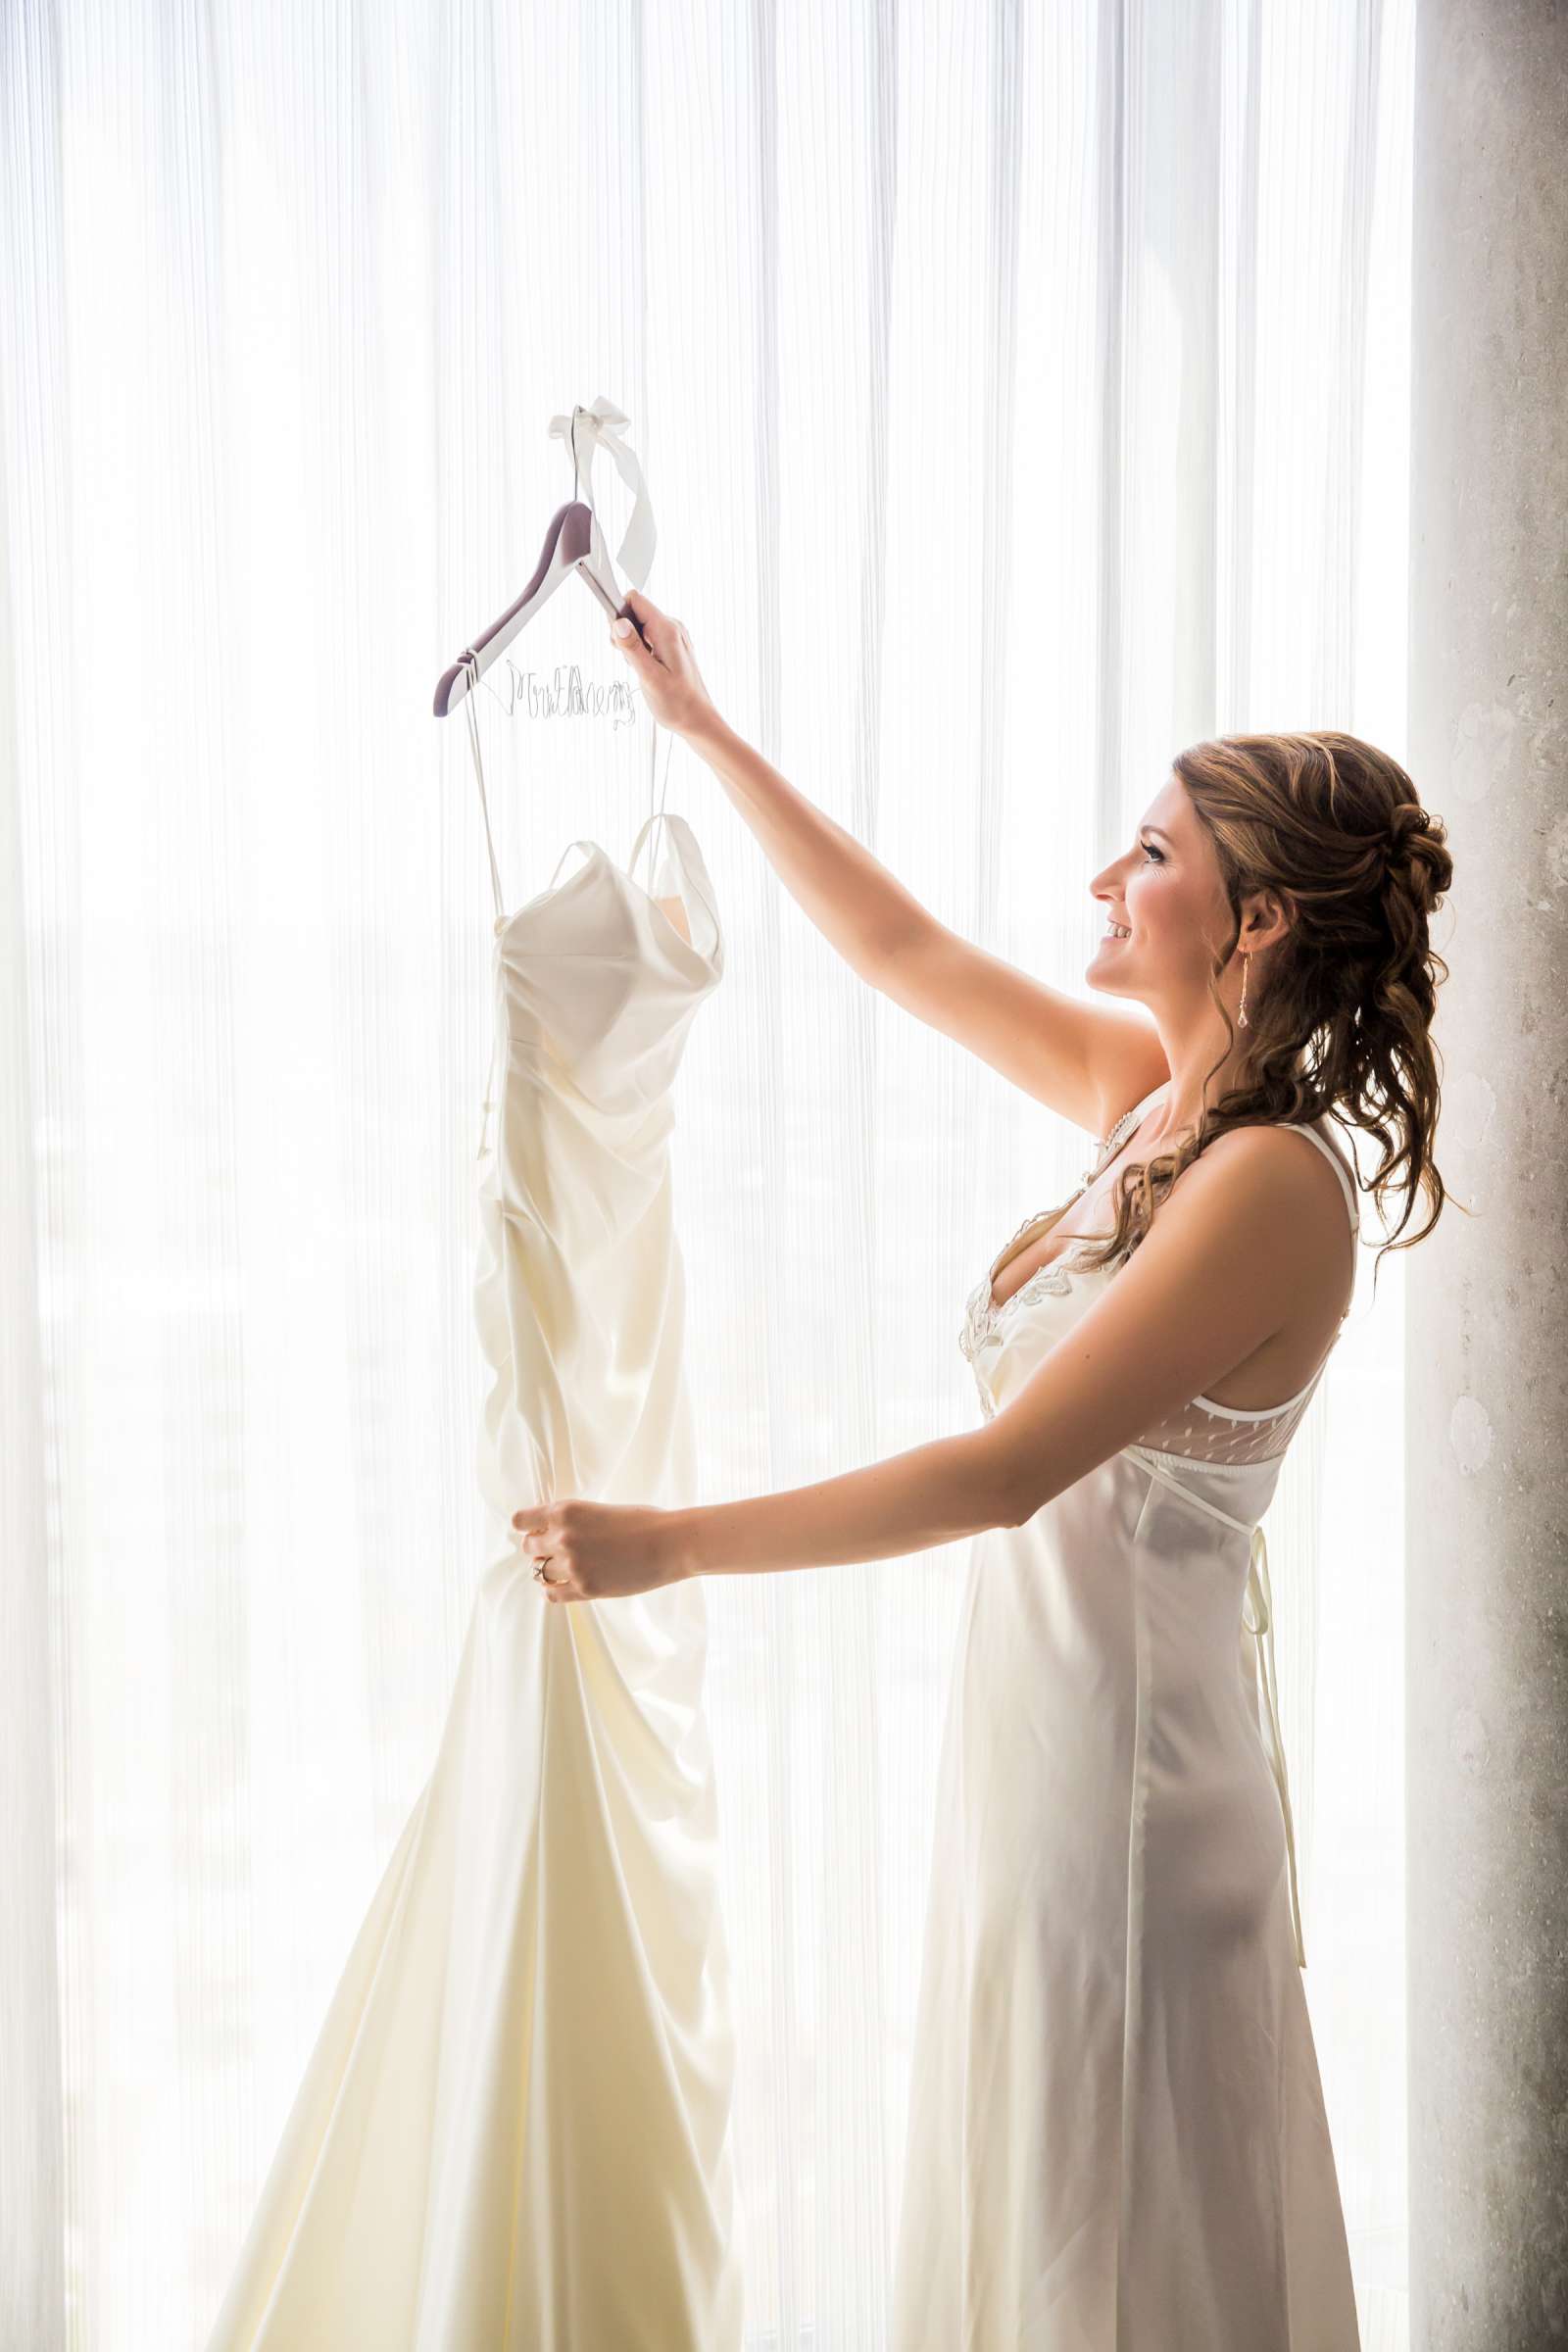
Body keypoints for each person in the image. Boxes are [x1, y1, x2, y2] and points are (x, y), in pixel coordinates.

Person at [514, 590, 1450, 2348]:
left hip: (1139, 1799)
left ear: (1253, 923)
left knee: (1110, 2240)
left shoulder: (1271, 1184)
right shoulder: (1153, 1105)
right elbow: (906, 956)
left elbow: (1004, 1474)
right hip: (1048, 1761)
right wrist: (704, 733)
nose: (1110, 879)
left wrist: (667, 1543)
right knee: (1039, 2227)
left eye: (1150, 852)